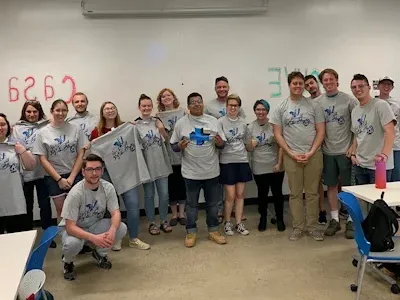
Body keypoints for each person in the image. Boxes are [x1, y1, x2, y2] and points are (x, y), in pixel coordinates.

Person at [270, 71, 325, 242]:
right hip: (291, 156)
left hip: (313, 155)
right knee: (294, 194)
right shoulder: (281, 107)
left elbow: (321, 131)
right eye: (295, 83)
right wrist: (291, 153)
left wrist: (311, 152)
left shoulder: (314, 105)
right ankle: (298, 227)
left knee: (312, 193)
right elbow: (278, 134)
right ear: (289, 85)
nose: (298, 86)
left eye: (301, 83)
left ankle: (312, 227)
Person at [89, 101, 150, 251]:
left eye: (112, 108)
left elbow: (140, 142)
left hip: (127, 172)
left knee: (133, 205)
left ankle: (134, 238)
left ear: (116, 110)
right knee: (112, 209)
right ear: (102, 112)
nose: (110, 111)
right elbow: (93, 154)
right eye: (106, 109)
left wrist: (133, 128)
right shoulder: (96, 132)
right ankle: (116, 237)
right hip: (107, 174)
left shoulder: (126, 127)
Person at [170, 92, 227, 247]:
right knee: (191, 205)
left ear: (203, 104)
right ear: (188, 106)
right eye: (193, 102)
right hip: (191, 173)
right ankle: (191, 232)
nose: (197, 104)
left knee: (212, 204)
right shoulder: (181, 123)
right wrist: (179, 147)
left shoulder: (213, 121)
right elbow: (173, 145)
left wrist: (220, 142)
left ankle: (214, 231)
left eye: (199, 101)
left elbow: (222, 144)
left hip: (211, 171)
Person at [60, 154, 127, 281]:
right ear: (83, 172)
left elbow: (116, 213)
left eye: (98, 169)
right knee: (72, 243)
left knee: (120, 228)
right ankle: (68, 262)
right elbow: (70, 227)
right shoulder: (76, 193)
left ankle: (100, 254)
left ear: (102, 170)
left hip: (94, 224)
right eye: (90, 169)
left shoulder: (108, 187)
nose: (94, 173)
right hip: (76, 229)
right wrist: (93, 238)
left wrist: (112, 230)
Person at [316, 69, 358, 239]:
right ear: (322, 83)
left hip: (345, 151)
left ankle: (349, 220)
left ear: (337, 81)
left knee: (348, 188)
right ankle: (334, 220)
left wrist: (354, 147)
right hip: (327, 152)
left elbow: (358, 125)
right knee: (331, 186)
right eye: (325, 80)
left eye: (331, 79)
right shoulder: (317, 102)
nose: (328, 82)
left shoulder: (349, 100)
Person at [11, 100, 56, 247]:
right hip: (25, 173)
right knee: (27, 205)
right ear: (24, 112)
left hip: (43, 171)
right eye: (28, 111)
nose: (31, 114)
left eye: (35, 112)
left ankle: (48, 236)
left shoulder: (47, 126)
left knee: (45, 205)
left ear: (40, 112)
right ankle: (28, 236)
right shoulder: (16, 128)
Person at [33, 99, 87, 218]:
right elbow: (43, 159)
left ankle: (81, 235)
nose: (61, 113)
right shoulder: (42, 133)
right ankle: (65, 236)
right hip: (53, 177)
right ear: (52, 111)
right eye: (57, 110)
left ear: (67, 112)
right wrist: (59, 179)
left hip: (74, 174)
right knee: (61, 211)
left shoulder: (76, 129)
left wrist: (72, 177)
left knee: (77, 208)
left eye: (64, 110)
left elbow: (81, 154)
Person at [204, 76, 246, 221]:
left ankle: (236, 212)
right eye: (219, 87)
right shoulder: (209, 106)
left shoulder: (237, 105)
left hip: (235, 153)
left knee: (236, 188)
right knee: (221, 183)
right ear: (215, 88)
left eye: (224, 87)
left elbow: (242, 127)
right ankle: (221, 210)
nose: (222, 89)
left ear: (228, 87)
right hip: (216, 150)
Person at [135, 94, 173, 235]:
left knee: (164, 194)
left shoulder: (158, 120)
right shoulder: (135, 125)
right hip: (147, 166)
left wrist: (161, 129)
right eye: (143, 106)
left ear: (152, 107)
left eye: (149, 106)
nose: (146, 108)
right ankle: (152, 223)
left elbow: (167, 140)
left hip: (161, 164)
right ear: (139, 107)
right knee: (149, 195)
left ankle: (164, 220)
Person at [350, 74, 396, 185]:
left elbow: (390, 132)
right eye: (354, 87)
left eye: (361, 86)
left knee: (379, 200)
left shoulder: (381, 105)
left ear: (369, 87)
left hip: (379, 165)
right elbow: (357, 134)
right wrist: (353, 154)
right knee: (362, 200)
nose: (357, 89)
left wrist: (384, 155)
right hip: (360, 164)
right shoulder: (355, 110)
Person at [247, 99, 285, 232]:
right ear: (254, 111)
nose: (260, 112)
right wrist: (251, 145)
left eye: (263, 109)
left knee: (277, 194)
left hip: (275, 165)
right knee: (262, 195)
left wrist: (280, 163)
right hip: (259, 166)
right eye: (258, 109)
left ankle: (280, 219)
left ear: (267, 111)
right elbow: (248, 149)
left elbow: (282, 147)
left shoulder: (274, 126)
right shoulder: (250, 127)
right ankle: (263, 218)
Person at [218, 94, 252, 236]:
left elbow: (248, 144)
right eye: (230, 105)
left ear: (239, 107)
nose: (233, 107)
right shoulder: (220, 122)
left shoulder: (243, 123)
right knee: (230, 195)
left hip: (242, 160)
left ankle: (238, 223)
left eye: (235, 105)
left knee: (240, 194)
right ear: (226, 106)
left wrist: (253, 144)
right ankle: (227, 223)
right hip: (227, 162)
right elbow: (220, 143)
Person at [0, 113, 37, 234]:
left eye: (2, 124)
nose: (0, 128)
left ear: (8, 127)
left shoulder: (16, 146)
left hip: (14, 202)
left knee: (16, 239)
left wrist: (23, 151)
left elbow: (31, 166)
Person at [156, 88, 187, 226]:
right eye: (163, 96)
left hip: (184, 155)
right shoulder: (157, 116)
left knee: (183, 185)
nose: (166, 98)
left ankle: (182, 213)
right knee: (171, 187)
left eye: (168, 95)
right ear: (160, 100)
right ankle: (174, 214)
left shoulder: (184, 112)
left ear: (173, 97)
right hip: (167, 156)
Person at [304, 75, 326, 224]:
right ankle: (321, 211)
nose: (310, 86)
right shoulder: (307, 104)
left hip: (332, 145)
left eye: (311, 83)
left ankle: (341, 209)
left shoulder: (327, 99)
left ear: (317, 83)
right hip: (315, 146)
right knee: (316, 182)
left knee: (335, 181)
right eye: (307, 85)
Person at [377, 76, 400, 182]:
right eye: (384, 84)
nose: (386, 86)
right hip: (378, 146)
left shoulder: (397, 104)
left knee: (395, 178)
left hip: (395, 146)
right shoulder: (373, 103)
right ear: (378, 86)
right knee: (381, 178)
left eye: (389, 85)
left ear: (392, 87)